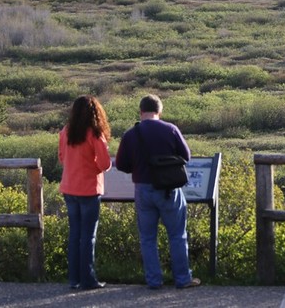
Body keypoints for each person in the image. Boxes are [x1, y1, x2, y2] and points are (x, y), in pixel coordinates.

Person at [115, 94, 200, 290]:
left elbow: (121, 164)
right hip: (169, 189)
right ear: (159, 111)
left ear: (141, 111)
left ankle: (154, 281)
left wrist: (136, 169)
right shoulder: (170, 129)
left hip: (143, 189)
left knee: (147, 238)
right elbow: (186, 156)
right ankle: (182, 278)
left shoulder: (130, 134)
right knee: (177, 235)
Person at [58, 95, 112, 291]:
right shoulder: (95, 134)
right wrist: (93, 167)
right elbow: (105, 164)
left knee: (75, 234)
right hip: (89, 189)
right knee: (88, 236)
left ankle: (74, 278)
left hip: (69, 188)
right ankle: (88, 279)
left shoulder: (66, 131)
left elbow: (62, 157)